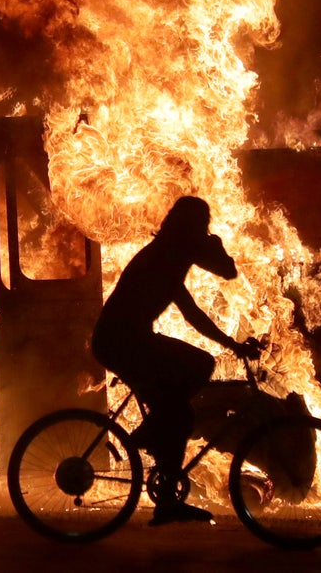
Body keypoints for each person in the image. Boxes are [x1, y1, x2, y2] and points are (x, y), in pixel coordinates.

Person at [91, 195, 259, 526]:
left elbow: (194, 310)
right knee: (182, 404)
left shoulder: (169, 254)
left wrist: (231, 344)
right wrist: (217, 246)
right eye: (202, 224)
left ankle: (156, 433)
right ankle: (157, 457)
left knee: (180, 405)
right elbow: (225, 272)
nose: (205, 230)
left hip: (128, 340)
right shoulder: (168, 256)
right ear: (190, 227)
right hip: (121, 343)